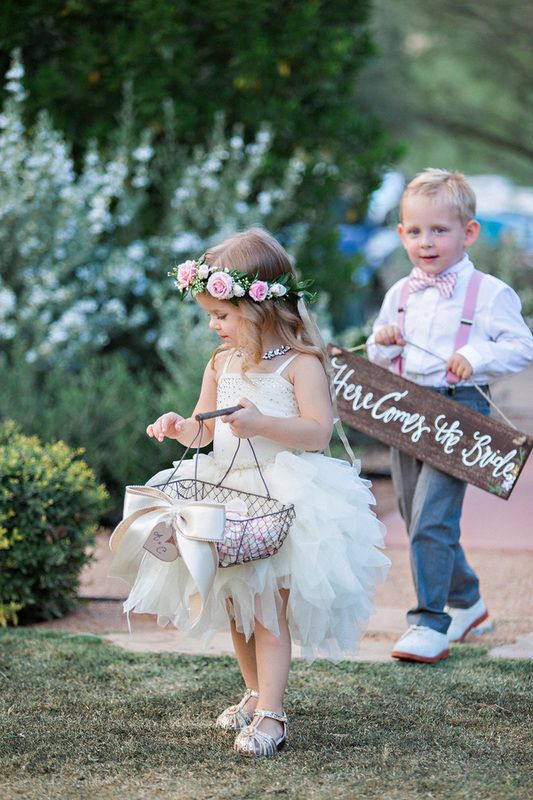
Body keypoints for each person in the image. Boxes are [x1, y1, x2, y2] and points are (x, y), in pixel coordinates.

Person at [110, 228, 390, 757]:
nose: (214, 326)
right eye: (210, 315)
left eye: (222, 315)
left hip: (282, 494)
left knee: (264, 608)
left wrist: (263, 424)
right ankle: (254, 691)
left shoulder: (299, 364)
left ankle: (272, 716)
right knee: (234, 602)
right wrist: (179, 427)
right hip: (224, 491)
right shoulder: (221, 363)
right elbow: (205, 430)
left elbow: (317, 432)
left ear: (258, 306)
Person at [367, 168, 533, 664]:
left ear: (469, 232)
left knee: (431, 520)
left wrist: (477, 356)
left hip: (459, 409)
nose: (427, 242)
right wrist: (383, 342)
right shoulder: (399, 293)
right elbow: (377, 351)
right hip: (405, 407)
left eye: (440, 230)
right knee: (419, 513)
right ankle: (467, 602)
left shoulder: (488, 292)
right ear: (401, 234)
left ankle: (429, 622)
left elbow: (522, 346)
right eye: (415, 231)